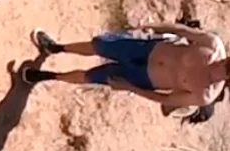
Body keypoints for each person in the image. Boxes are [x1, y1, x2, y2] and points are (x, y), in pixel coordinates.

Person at [22, 25, 229, 115]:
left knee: (92, 76)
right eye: (227, 60)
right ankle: (57, 47)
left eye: (227, 68)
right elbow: (179, 30)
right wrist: (151, 27)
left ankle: (46, 76)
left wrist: (130, 87)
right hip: (147, 49)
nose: (222, 63)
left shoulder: (204, 95)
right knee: (99, 45)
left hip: (143, 78)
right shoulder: (212, 44)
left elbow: (166, 99)